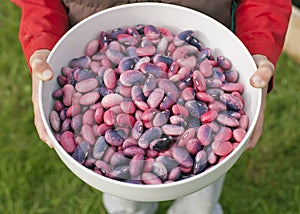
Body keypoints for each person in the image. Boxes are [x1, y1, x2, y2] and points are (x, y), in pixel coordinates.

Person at [11, 0, 291, 213]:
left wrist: (258, 45)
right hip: (93, 19)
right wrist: (42, 37)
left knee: (201, 186)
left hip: (205, 25)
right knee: (122, 187)